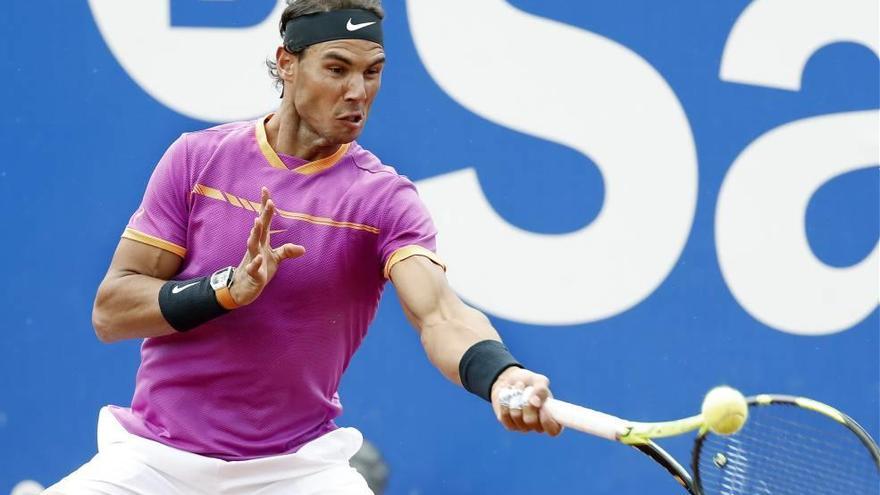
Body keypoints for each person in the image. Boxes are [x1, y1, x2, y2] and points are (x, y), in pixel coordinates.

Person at [45, 1, 561, 493]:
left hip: (294, 473)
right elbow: (111, 311)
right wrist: (224, 290)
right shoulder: (196, 161)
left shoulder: (383, 201)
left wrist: (501, 376)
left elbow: (441, 316)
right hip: (155, 462)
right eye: (337, 69)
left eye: (372, 71)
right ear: (286, 64)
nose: (358, 91)